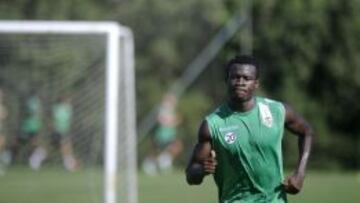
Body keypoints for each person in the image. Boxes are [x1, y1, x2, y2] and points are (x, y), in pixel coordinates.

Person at [185, 55, 313, 202]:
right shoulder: (212, 124)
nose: (240, 82)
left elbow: (307, 132)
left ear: (256, 83)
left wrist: (300, 174)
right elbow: (191, 174)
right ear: (227, 81)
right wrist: (202, 171)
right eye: (235, 77)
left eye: (247, 78)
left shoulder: (277, 111)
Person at [142, 93, 183, 175]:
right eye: (171, 100)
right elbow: (161, 120)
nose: (173, 102)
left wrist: (174, 121)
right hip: (162, 135)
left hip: (171, 135)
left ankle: (164, 159)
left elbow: (178, 119)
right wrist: (171, 122)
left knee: (177, 146)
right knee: (156, 152)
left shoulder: (172, 111)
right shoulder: (163, 110)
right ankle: (149, 164)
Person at [50, 95, 79, 172]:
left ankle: (70, 165)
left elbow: (68, 118)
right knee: (65, 148)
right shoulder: (57, 108)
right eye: (67, 100)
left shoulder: (69, 108)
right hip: (59, 131)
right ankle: (69, 165)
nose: (69, 102)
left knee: (68, 148)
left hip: (65, 131)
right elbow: (55, 119)